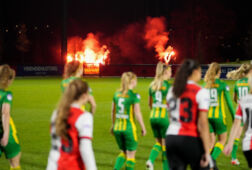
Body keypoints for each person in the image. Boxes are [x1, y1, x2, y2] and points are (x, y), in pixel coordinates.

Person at [166, 59, 211, 170]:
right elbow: (202, 124)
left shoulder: (172, 90)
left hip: (171, 138)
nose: (201, 75)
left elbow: (170, 116)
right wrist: (207, 151)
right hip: (189, 138)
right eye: (200, 72)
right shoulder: (201, 91)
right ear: (194, 71)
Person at [46, 79, 97, 170]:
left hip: (57, 166)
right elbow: (85, 149)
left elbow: (54, 147)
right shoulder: (85, 117)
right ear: (84, 96)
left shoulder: (56, 113)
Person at [111, 72, 146, 170]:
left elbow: (113, 111)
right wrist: (143, 127)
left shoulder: (116, 94)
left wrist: (113, 125)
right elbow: (137, 113)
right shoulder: (134, 95)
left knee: (123, 152)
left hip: (117, 128)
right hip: (128, 128)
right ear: (133, 81)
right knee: (131, 155)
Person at [204, 62, 235, 168]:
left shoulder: (206, 85)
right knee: (222, 141)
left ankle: (204, 162)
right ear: (219, 72)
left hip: (208, 117)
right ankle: (209, 164)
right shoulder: (222, 85)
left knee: (211, 142)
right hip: (219, 117)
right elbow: (230, 104)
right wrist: (235, 118)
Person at [146, 62, 171, 170]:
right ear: (165, 72)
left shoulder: (152, 85)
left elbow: (149, 103)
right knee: (166, 146)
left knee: (158, 143)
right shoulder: (168, 86)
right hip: (164, 117)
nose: (171, 74)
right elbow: (171, 105)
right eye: (170, 71)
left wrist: (155, 112)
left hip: (153, 117)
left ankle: (151, 160)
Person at [224, 75, 252, 170]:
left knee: (237, 135)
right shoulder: (249, 82)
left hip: (240, 109)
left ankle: (233, 158)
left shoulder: (237, 83)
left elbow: (234, 98)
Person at [0, 64, 22, 170]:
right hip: (4, 129)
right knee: (15, 160)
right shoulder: (6, 95)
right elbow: (5, 113)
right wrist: (6, 134)